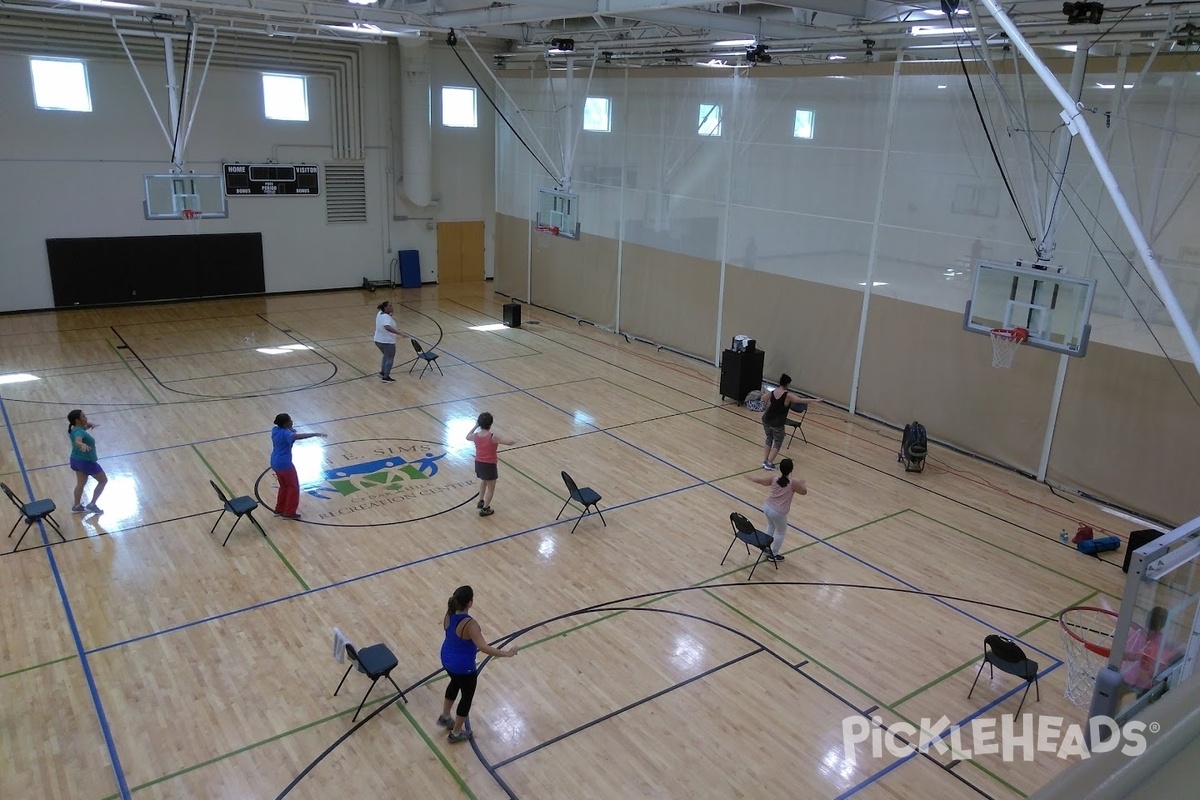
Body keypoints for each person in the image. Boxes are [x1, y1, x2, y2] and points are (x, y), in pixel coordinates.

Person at [438, 585, 518, 742]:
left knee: (454, 684)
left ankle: (445, 717)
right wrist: (507, 654)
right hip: (463, 667)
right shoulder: (470, 624)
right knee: (466, 697)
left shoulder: (449, 614)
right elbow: (483, 647)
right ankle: (455, 733)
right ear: (470, 602)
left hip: (446, 659)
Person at [746, 457, 807, 561]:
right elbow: (804, 491)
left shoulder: (774, 479)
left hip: (767, 506)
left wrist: (750, 478)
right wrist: (802, 483)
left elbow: (761, 481)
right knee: (781, 532)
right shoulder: (793, 483)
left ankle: (766, 548)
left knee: (770, 526)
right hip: (778, 512)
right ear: (791, 470)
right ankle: (773, 554)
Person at [270, 413, 327, 519]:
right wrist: (315, 434)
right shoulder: (287, 435)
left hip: (275, 462)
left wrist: (290, 429)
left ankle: (279, 509)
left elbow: (290, 432)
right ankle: (289, 512)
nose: (292, 421)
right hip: (285, 464)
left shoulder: (275, 430)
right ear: (286, 423)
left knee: (284, 486)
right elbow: (297, 436)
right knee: (293, 487)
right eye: (290, 420)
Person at [1120, 606, 1183, 694]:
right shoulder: (1162, 640)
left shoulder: (1136, 630)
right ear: (1163, 624)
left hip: (1129, 676)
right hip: (1141, 681)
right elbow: (1181, 649)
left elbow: (1124, 654)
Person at [466, 412, 516, 517]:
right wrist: (515, 440)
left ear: (480, 423)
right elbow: (508, 442)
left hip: (479, 463)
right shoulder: (493, 436)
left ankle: (480, 501)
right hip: (489, 465)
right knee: (491, 488)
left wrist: (475, 426)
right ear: (491, 423)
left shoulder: (476, 436)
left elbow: (467, 436)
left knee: (484, 481)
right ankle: (485, 509)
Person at [67, 409, 108, 514]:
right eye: (83, 416)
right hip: (86, 462)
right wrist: (82, 444)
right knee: (103, 481)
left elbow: (84, 428)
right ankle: (92, 505)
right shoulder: (78, 433)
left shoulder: (75, 429)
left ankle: (77, 506)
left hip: (75, 460)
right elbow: (78, 440)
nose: (86, 417)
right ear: (77, 420)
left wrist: (90, 424)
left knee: (80, 483)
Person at [760, 373, 804, 470]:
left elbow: (763, 398)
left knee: (769, 438)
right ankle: (769, 463)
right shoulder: (787, 395)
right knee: (778, 442)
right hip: (777, 423)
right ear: (787, 384)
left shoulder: (773, 392)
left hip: (766, 419)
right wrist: (815, 400)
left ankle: (765, 460)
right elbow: (800, 400)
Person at [373, 300, 407, 383]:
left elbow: (388, 318)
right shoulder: (386, 318)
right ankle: (386, 377)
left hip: (378, 340)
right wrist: (399, 333)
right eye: (390, 306)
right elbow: (387, 327)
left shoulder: (380, 313)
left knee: (386, 356)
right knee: (390, 358)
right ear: (385, 308)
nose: (392, 307)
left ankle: (382, 372)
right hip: (387, 341)